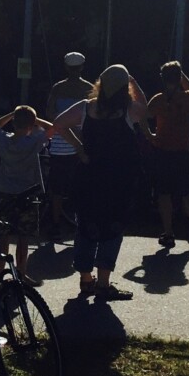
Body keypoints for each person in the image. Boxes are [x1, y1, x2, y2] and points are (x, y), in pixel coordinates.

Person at [59, 63, 143, 302]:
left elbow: (58, 122)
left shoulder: (86, 108)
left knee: (86, 225)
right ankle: (104, 283)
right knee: (112, 228)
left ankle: (86, 280)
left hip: (89, 176)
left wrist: (78, 147)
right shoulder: (127, 111)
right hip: (118, 180)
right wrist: (134, 83)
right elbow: (146, 110)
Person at [0, 104, 55, 284]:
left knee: (4, 235)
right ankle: (21, 273)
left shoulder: (4, 141)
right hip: (28, 194)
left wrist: (11, 114)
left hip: (6, 193)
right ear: (31, 125)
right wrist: (34, 119)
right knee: (23, 237)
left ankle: (0, 274)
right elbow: (52, 127)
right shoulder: (34, 141)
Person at [144, 60, 189, 249]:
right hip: (181, 151)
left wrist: (150, 136)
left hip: (162, 151)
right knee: (187, 193)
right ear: (179, 79)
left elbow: (143, 117)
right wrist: (181, 73)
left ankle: (168, 232)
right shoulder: (187, 98)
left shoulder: (158, 99)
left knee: (164, 194)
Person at [43, 50, 91, 240]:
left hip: (59, 143)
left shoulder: (58, 88)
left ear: (65, 67)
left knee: (57, 187)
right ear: (82, 67)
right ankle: (80, 222)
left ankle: (55, 223)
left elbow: (49, 111)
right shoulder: (88, 88)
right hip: (81, 141)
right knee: (80, 185)